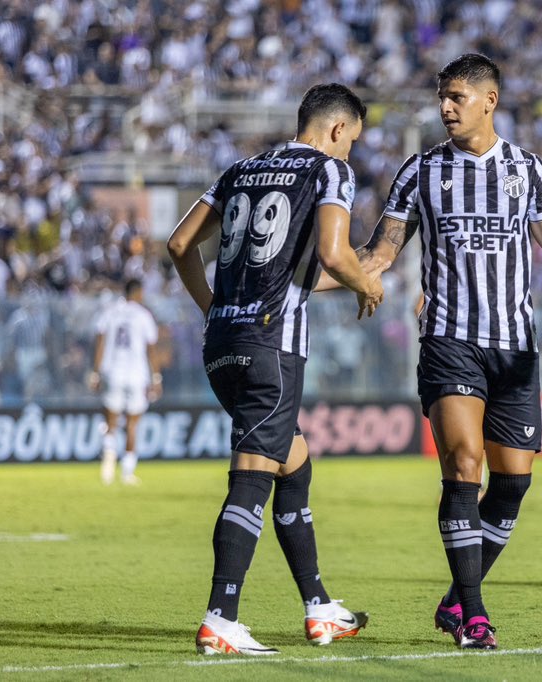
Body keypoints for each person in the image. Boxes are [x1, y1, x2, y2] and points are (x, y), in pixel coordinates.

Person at [356, 53, 542, 650]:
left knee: (512, 485)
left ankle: (456, 596)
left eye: (457, 97)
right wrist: (364, 273)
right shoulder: (421, 171)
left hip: (514, 347)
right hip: (449, 340)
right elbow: (383, 246)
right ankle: (475, 616)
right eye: (442, 96)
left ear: (490, 100)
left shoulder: (527, 170)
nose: (445, 107)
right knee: (464, 464)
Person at [167, 83, 384, 656]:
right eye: (353, 140)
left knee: (293, 457)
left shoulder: (241, 168)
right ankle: (221, 617)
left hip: (222, 344)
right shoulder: (330, 172)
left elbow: (179, 243)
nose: (351, 151)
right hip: (273, 345)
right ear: (338, 129)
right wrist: (368, 283)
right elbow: (336, 255)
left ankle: (319, 608)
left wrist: (214, 306)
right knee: (253, 471)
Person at [89, 278, 161, 485]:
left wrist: (96, 373)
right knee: (132, 424)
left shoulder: (110, 312)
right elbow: (151, 349)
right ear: (138, 293)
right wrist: (156, 377)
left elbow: (100, 343)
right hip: (137, 375)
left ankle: (108, 459)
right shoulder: (144, 315)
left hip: (113, 372)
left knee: (111, 422)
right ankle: (127, 472)